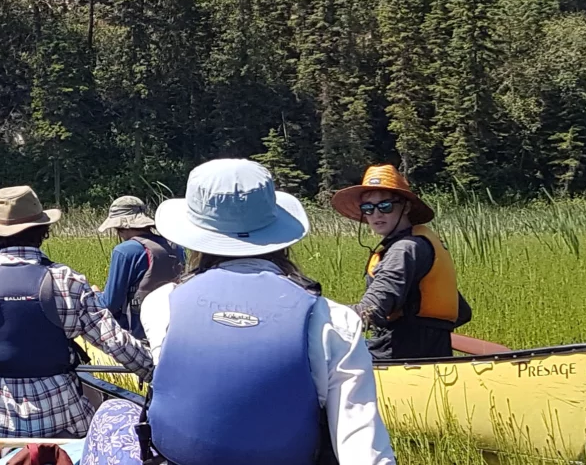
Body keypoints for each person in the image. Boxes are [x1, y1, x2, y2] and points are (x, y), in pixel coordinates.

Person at [77, 158, 393, 465]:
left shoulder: (160, 305)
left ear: (196, 234)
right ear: (276, 233)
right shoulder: (336, 321)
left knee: (111, 413)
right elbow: (363, 448)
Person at [0, 186, 155, 439]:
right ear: (42, 231)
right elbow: (116, 343)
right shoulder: (68, 281)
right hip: (67, 421)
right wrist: (156, 372)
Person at [333, 164, 471, 360]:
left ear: (405, 207)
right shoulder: (420, 242)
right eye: (368, 208)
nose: (376, 214)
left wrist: (318, 315)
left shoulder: (403, 249)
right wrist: (433, 332)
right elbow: (462, 312)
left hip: (400, 354)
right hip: (432, 353)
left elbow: (370, 312)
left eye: (385, 206)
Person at [94, 196, 185, 339]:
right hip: (176, 331)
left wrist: (95, 294)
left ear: (121, 228)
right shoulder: (176, 247)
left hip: (139, 335)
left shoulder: (125, 251)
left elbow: (110, 304)